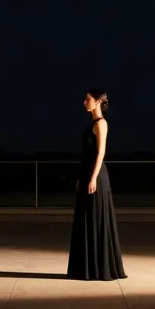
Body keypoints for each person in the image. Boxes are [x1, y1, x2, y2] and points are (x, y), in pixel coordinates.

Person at [67, 88, 127, 281]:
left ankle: (99, 269)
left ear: (98, 101)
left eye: (88, 99)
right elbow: (87, 155)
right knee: (85, 220)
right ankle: (86, 269)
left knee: (96, 219)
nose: (84, 102)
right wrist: (81, 178)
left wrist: (93, 178)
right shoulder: (91, 124)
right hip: (87, 174)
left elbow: (101, 153)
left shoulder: (101, 123)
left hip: (97, 176)